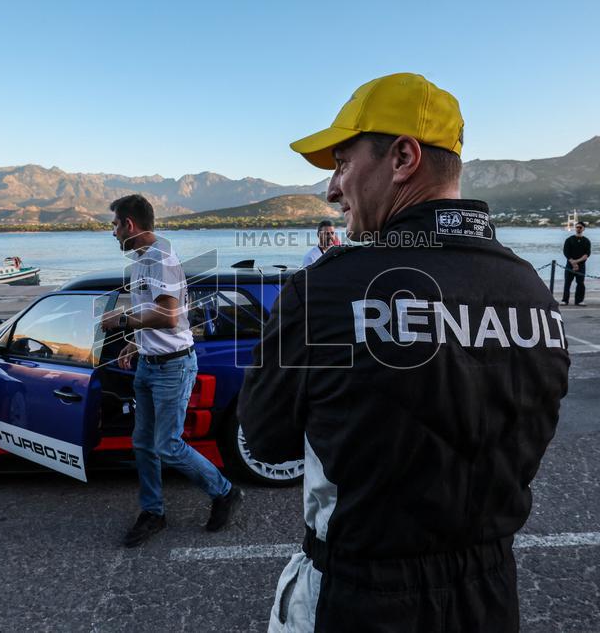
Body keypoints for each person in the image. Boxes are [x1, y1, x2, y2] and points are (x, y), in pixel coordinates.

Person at [238, 73, 570, 632]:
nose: (332, 189)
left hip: (358, 596)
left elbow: (265, 440)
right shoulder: (531, 290)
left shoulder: (328, 288)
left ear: (403, 157)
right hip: (490, 595)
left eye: (342, 163)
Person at [100, 194, 241, 548]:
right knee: (143, 443)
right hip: (149, 364)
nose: (113, 233)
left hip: (173, 368)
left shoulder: (161, 259)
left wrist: (120, 320)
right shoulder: (143, 260)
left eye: (115, 225)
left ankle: (224, 491)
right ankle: (153, 512)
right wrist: (136, 342)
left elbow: (168, 315)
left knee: (168, 445)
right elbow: (156, 312)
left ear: (130, 225)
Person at [562, 222, 591, 306]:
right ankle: (565, 300)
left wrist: (577, 262)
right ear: (575, 228)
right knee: (567, 283)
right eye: (577, 227)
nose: (578, 228)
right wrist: (572, 262)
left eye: (580, 227)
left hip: (581, 265)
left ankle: (579, 301)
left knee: (580, 283)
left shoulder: (586, 241)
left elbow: (587, 254)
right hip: (569, 264)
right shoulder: (569, 239)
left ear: (583, 229)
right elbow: (566, 252)